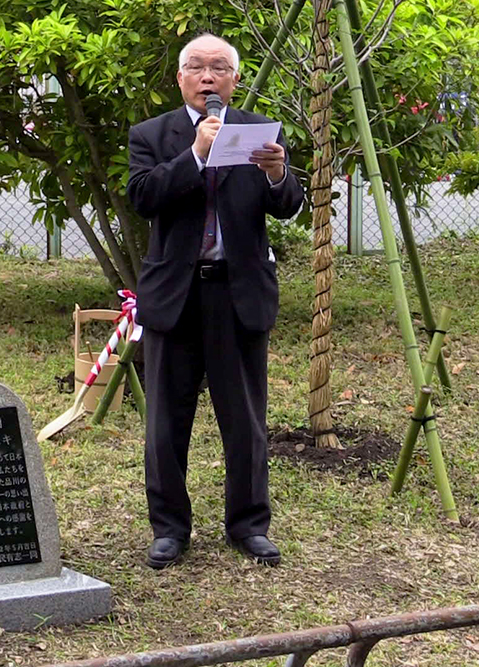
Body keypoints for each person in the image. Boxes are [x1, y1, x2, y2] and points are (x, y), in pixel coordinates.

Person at [127, 33, 303, 569]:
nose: (209, 77)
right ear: (180, 77)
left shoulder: (259, 132)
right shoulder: (152, 134)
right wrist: (197, 153)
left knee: (245, 417)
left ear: (234, 79)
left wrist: (277, 174)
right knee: (165, 420)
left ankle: (249, 525)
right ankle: (170, 529)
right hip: (174, 293)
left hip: (238, 291)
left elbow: (289, 205)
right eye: (198, 67)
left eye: (220, 68)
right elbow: (143, 197)